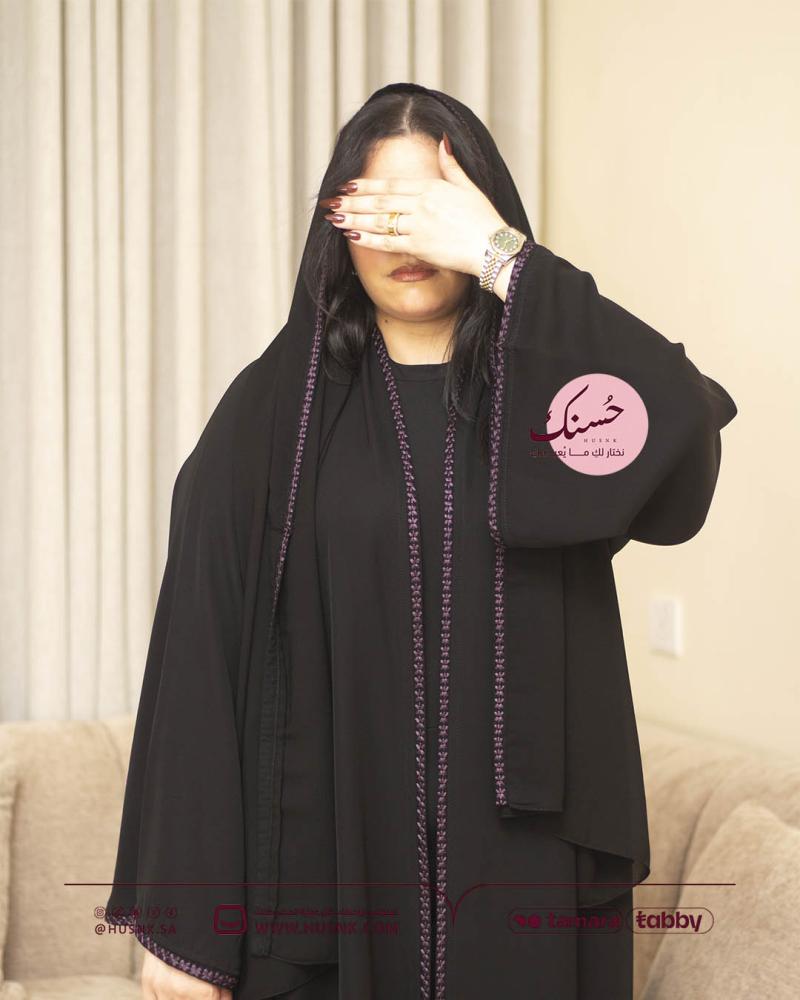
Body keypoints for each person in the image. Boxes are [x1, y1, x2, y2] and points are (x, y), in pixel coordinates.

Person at [104, 82, 737, 1000]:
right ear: (337, 230)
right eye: (378, 212)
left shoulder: (553, 405)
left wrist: (502, 258)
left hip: (525, 874)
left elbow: (681, 428)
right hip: (325, 873)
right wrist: (183, 922)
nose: (406, 241)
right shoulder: (272, 414)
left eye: (431, 212)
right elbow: (199, 652)